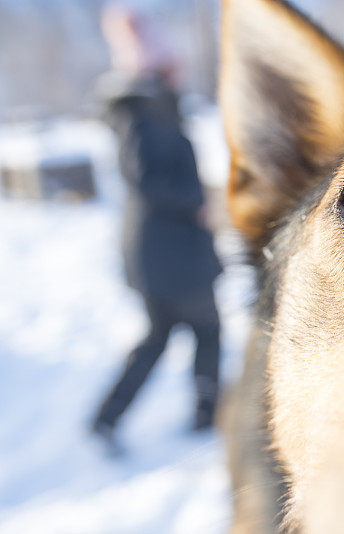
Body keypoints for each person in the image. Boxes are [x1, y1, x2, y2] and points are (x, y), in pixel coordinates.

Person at [91, 4, 223, 453]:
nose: (179, 75)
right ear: (158, 69)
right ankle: (207, 411)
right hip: (170, 254)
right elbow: (146, 178)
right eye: (172, 67)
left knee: (159, 336)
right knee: (205, 329)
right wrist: (199, 201)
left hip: (167, 252)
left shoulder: (157, 109)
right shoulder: (141, 113)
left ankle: (108, 416)